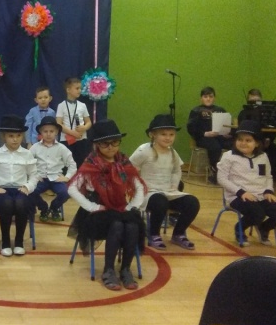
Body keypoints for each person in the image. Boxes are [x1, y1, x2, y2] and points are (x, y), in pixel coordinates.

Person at [67, 119, 147, 291]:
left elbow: (139, 187)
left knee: (132, 225)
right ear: (97, 145)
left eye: (115, 142)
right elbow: (72, 188)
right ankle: (109, 270)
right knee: (117, 224)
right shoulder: (91, 163)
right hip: (97, 213)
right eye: (105, 144)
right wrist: (93, 207)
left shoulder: (124, 162)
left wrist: (131, 206)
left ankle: (125, 269)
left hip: (120, 207)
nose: (111, 147)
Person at [130, 114, 200, 250]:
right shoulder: (144, 151)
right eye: (163, 134)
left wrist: (174, 185)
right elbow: (130, 168)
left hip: (168, 192)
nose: (168, 138)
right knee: (160, 202)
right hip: (148, 194)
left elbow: (176, 170)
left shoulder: (172, 152)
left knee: (192, 202)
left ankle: (178, 233)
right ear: (153, 135)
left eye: (171, 134)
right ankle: (153, 234)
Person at [217, 119, 276, 247]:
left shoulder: (263, 156)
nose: (243, 143)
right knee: (257, 213)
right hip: (237, 196)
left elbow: (268, 176)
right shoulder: (228, 156)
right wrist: (241, 192)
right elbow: (222, 179)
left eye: (248, 140)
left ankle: (264, 228)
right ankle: (239, 228)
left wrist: (268, 191)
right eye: (240, 139)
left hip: (260, 195)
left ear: (257, 143)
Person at [0, 114, 37, 256]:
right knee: (6, 203)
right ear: (4, 137)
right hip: (1, 190)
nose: (15, 139)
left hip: (21, 189)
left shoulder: (27, 154)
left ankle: (19, 242)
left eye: (18, 135)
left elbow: (34, 175)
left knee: (21, 203)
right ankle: (5, 241)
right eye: (11, 136)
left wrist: (28, 187)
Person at [29, 116, 76, 222]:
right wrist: (34, 175)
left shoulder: (62, 148)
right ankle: (44, 208)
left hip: (56, 178)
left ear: (57, 132)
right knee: (30, 191)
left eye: (51, 131)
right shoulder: (35, 147)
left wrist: (67, 177)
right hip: (40, 178)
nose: (48, 134)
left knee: (66, 192)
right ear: (41, 132)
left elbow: (72, 165)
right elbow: (28, 164)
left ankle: (54, 208)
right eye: (45, 131)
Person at [187, 86, 231, 183]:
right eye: (205, 96)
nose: (208, 99)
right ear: (201, 98)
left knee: (233, 144)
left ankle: (230, 172)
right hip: (203, 137)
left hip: (219, 136)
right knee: (215, 147)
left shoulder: (220, 110)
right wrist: (205, 133)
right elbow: (191, 128)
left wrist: (227, 133)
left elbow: (227, 124)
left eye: (210, 96)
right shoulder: (196, 111)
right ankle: (214, 171)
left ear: (214, 98)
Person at [237, 88, 276, 181]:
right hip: (249, 143)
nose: (255, 104)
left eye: (257, 101)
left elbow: (273, 128)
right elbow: (242, 131)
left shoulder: (268, 113)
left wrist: (269, 139)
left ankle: (272, 176)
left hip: (266, 142)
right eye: (252, 101)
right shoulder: (243, 113)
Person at [56, 77, 92, 168]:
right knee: (67, 164)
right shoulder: (61, 105)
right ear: (68, 90)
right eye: (77, 88)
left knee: (81, 164)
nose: (79, 90)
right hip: (66, 140)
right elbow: (58, 124)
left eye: (80, 88)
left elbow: (88, 122)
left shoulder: (82, 105)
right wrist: (73, 133)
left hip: (81, 139)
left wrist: (84, 127)